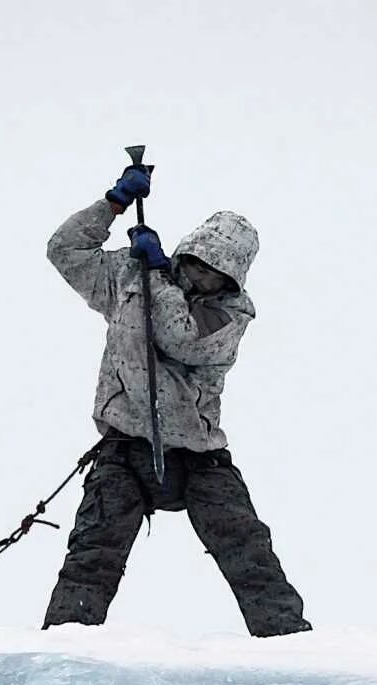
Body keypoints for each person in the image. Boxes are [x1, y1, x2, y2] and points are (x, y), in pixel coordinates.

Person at [40, 163, 310, 637]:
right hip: (123, 449)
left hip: (200, 459)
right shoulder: (129, 275)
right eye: (196, 265)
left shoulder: (230, 315)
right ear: (186, 254)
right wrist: (113, 203)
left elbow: (180, 338)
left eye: (214, 274)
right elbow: (65, 250)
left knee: (250, 556)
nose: (201, 277)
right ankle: (63, 651)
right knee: (91, 557)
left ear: (231, 281)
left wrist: (159, 276)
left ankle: (294, 650)